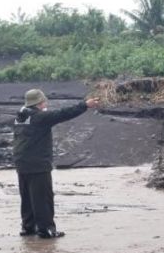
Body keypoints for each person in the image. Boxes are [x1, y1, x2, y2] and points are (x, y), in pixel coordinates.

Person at [13, 89, 100, 239]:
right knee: (43, 198)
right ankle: (46, 230)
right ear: (39, 103)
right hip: (38, 164)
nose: (46, 104)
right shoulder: (39, 117)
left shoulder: (20, 117)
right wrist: (85, 105)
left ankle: (28, 227)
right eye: (44, 101)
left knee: (27, 197)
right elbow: (63, 114)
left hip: (22, 163)